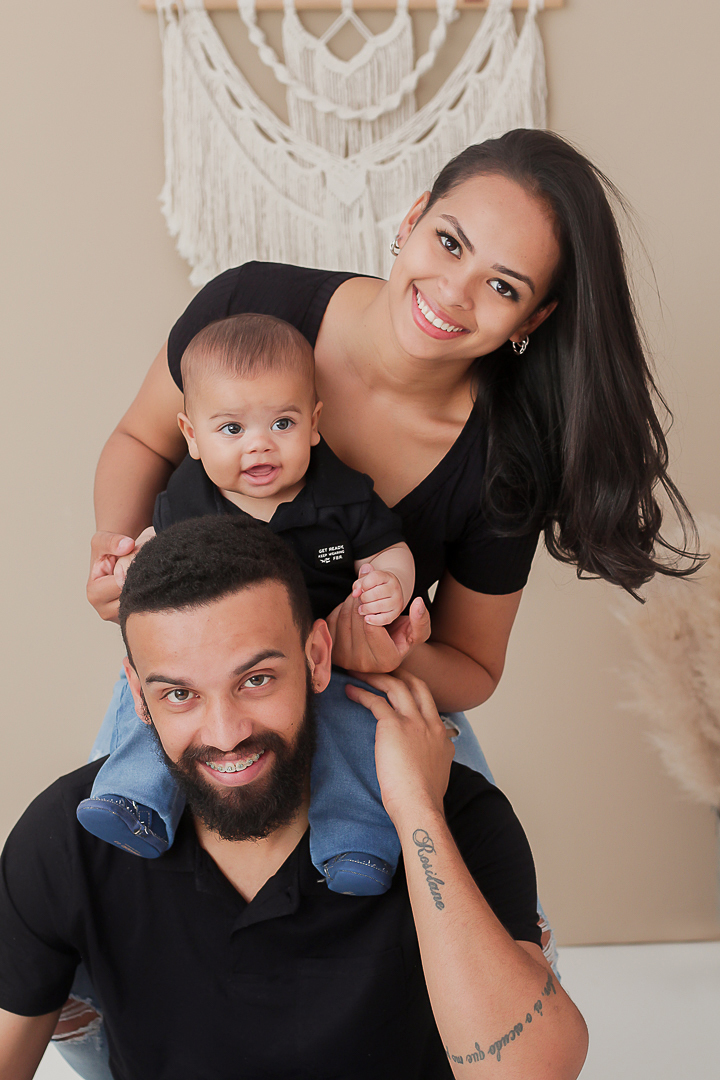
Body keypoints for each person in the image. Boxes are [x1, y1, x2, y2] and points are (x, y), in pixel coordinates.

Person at [86, 129, 699, 956]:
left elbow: (473, 668)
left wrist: (387, 655)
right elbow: (140, 439)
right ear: (412, 218)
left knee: (490, 948)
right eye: (449, 242)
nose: (452, 292)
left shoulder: (506, 462)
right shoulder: (250, 308)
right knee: (108, 913)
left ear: (533, 319)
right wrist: (118, 555)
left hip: (366, 697)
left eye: (502, 286)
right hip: (208, 677)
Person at [0, 516, 589, 1080]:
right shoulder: (70, 840)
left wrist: (417, 810)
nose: (225, 733)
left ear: (316, 658)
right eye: (179, 694)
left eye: (256, 680)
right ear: (137, 693)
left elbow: (528, 1072)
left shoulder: (452, 814)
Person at [77, 312, 416, 895]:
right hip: (205, 659)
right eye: (231, 428)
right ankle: (134, 798)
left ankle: (355, 841)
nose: (259, 443)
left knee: (355, 725)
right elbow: (155, 552)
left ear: (314, 424)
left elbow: (390, 549)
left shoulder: (341, 495)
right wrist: (131, 564)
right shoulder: (187, 499)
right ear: (191, 436)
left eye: (282, 423)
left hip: (320, 658)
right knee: (154, 696)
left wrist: (390, 581)